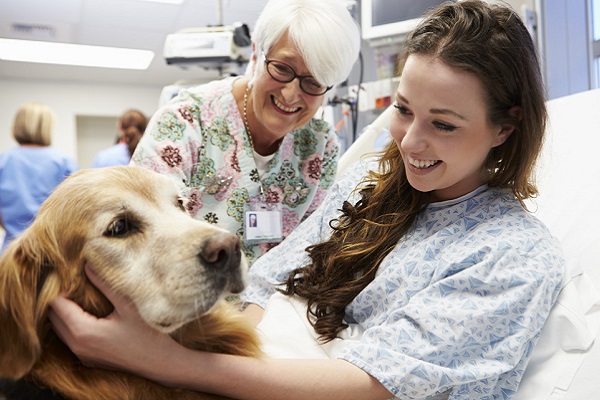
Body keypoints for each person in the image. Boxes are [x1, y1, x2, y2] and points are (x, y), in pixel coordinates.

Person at [48, 1, 565, 399]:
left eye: (444, 125)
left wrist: (166, 362)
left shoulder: (511, 255)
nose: (408, 143)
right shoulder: (365, 184)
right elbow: (271, 278)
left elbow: (376, 381)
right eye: (404, 110)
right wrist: (208, 358)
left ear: (505, 125)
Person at [130, 0, 360, 266]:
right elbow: (142, 230)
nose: (291, 94)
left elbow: (310, 247)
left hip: (274, 301)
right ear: (256, 54)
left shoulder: (320, 146)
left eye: (313, 82)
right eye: (282, 68)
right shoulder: (184, 122)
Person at [0, 102, 78, 253]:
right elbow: (72, 212)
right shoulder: (64, 162)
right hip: (51, 251)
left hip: (11, 252)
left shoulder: (3, 161)